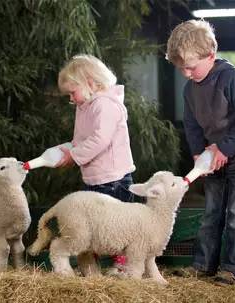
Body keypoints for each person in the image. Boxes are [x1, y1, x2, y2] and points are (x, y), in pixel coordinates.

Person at [166, 19, 235, 285]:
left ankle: (233, 268)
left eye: (191, 67)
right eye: (181, 69)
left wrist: (224, 148)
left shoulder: (231, 78)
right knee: (210, 214)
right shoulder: (190, 89)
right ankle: (202, 265)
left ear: (211, 55)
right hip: (212, 161)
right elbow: (191, 125)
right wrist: (197, 154)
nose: (187, 73)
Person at [55, 54, 136, 272]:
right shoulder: (84, 106)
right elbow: (81, 139)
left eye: (73, 92)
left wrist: (74, 156)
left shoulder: (105, 105)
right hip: (93, 177)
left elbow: (100, 139)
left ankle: (123, 266)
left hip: (113, 179)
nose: (71, 98)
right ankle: (91, 267)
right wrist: (68, 149)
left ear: (90, 82)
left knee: (117, 225)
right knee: (91, 225)